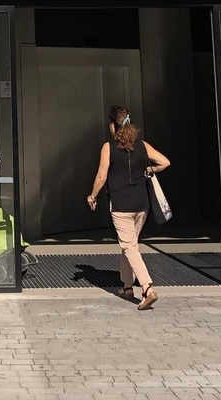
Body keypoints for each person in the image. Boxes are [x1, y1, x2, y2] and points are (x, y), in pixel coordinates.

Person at [86, 104, 169, 310]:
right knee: (129, 245)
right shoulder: (142, 145)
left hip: (121, 206)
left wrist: (92, 195)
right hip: (142, 206)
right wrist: (148, 169)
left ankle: (147, 288)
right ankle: (127, 287)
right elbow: (165, 162)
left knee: (129, 246)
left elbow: (101, 176)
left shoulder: (108, 147)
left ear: (113, 126)